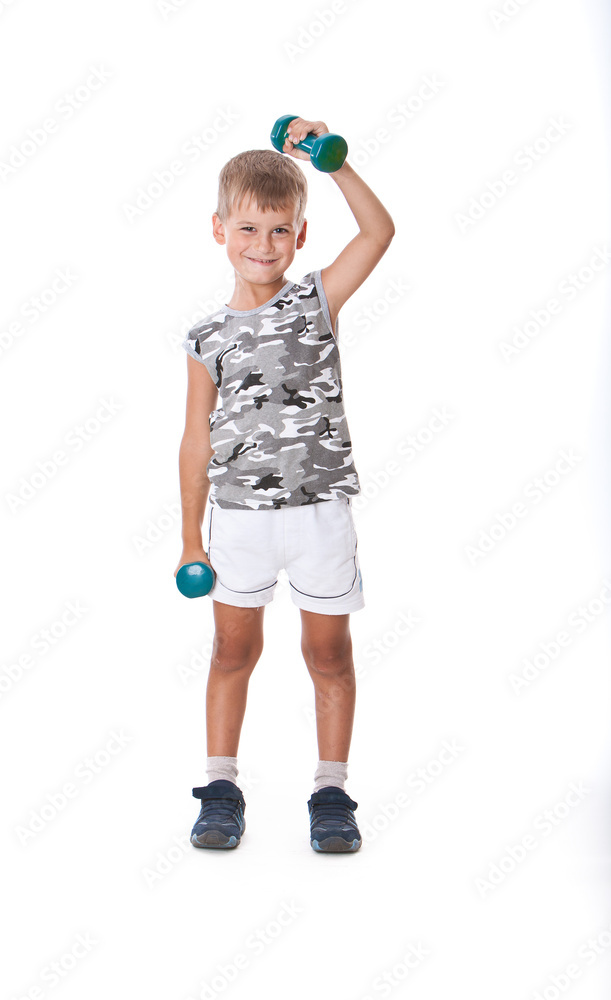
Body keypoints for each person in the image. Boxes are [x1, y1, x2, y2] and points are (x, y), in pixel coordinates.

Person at [176, 117, 395, 853]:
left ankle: (330, 792)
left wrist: (330, 161)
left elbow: (377, 232)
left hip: (319, 515)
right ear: (218, 230)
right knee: (231, 654)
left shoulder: (314, 302)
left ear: (299, 236)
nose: (262, 246)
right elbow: (195, 439)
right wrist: (185, 539)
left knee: (327, 656)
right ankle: (220, 787)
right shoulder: (206, 336)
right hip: (239, 520)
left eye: (278, 230)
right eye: (247, 228)